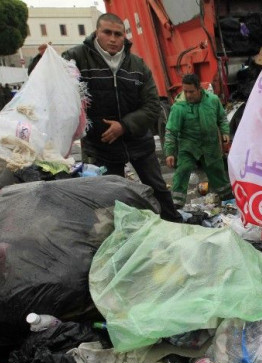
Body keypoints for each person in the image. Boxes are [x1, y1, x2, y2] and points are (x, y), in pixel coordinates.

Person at [62, 13, 181, 222]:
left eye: (118, 34)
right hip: (102, 146)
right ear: (96, 32)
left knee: (158, 189)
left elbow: (152, 105)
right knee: (110, 198)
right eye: (107, 32)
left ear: (124, 37)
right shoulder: (77, 58)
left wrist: (124, 126)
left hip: (138, 142)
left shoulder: (137, 65)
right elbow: (56, 87)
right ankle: (120, 242)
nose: (113, 39)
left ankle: (176, 227)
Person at [164, 74, 231, 207]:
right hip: (189, 147)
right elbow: (171, 131)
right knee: (182, 171)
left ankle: (228, 200)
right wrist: (170, 152)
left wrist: (225, 132)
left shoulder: (212, 100)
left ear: (199, 89)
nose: (188, 95)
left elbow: (222, 118)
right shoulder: (179, 108)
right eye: (185, 91)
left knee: (217, 172)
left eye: (191, 91)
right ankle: (176, 205)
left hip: (210, 145)